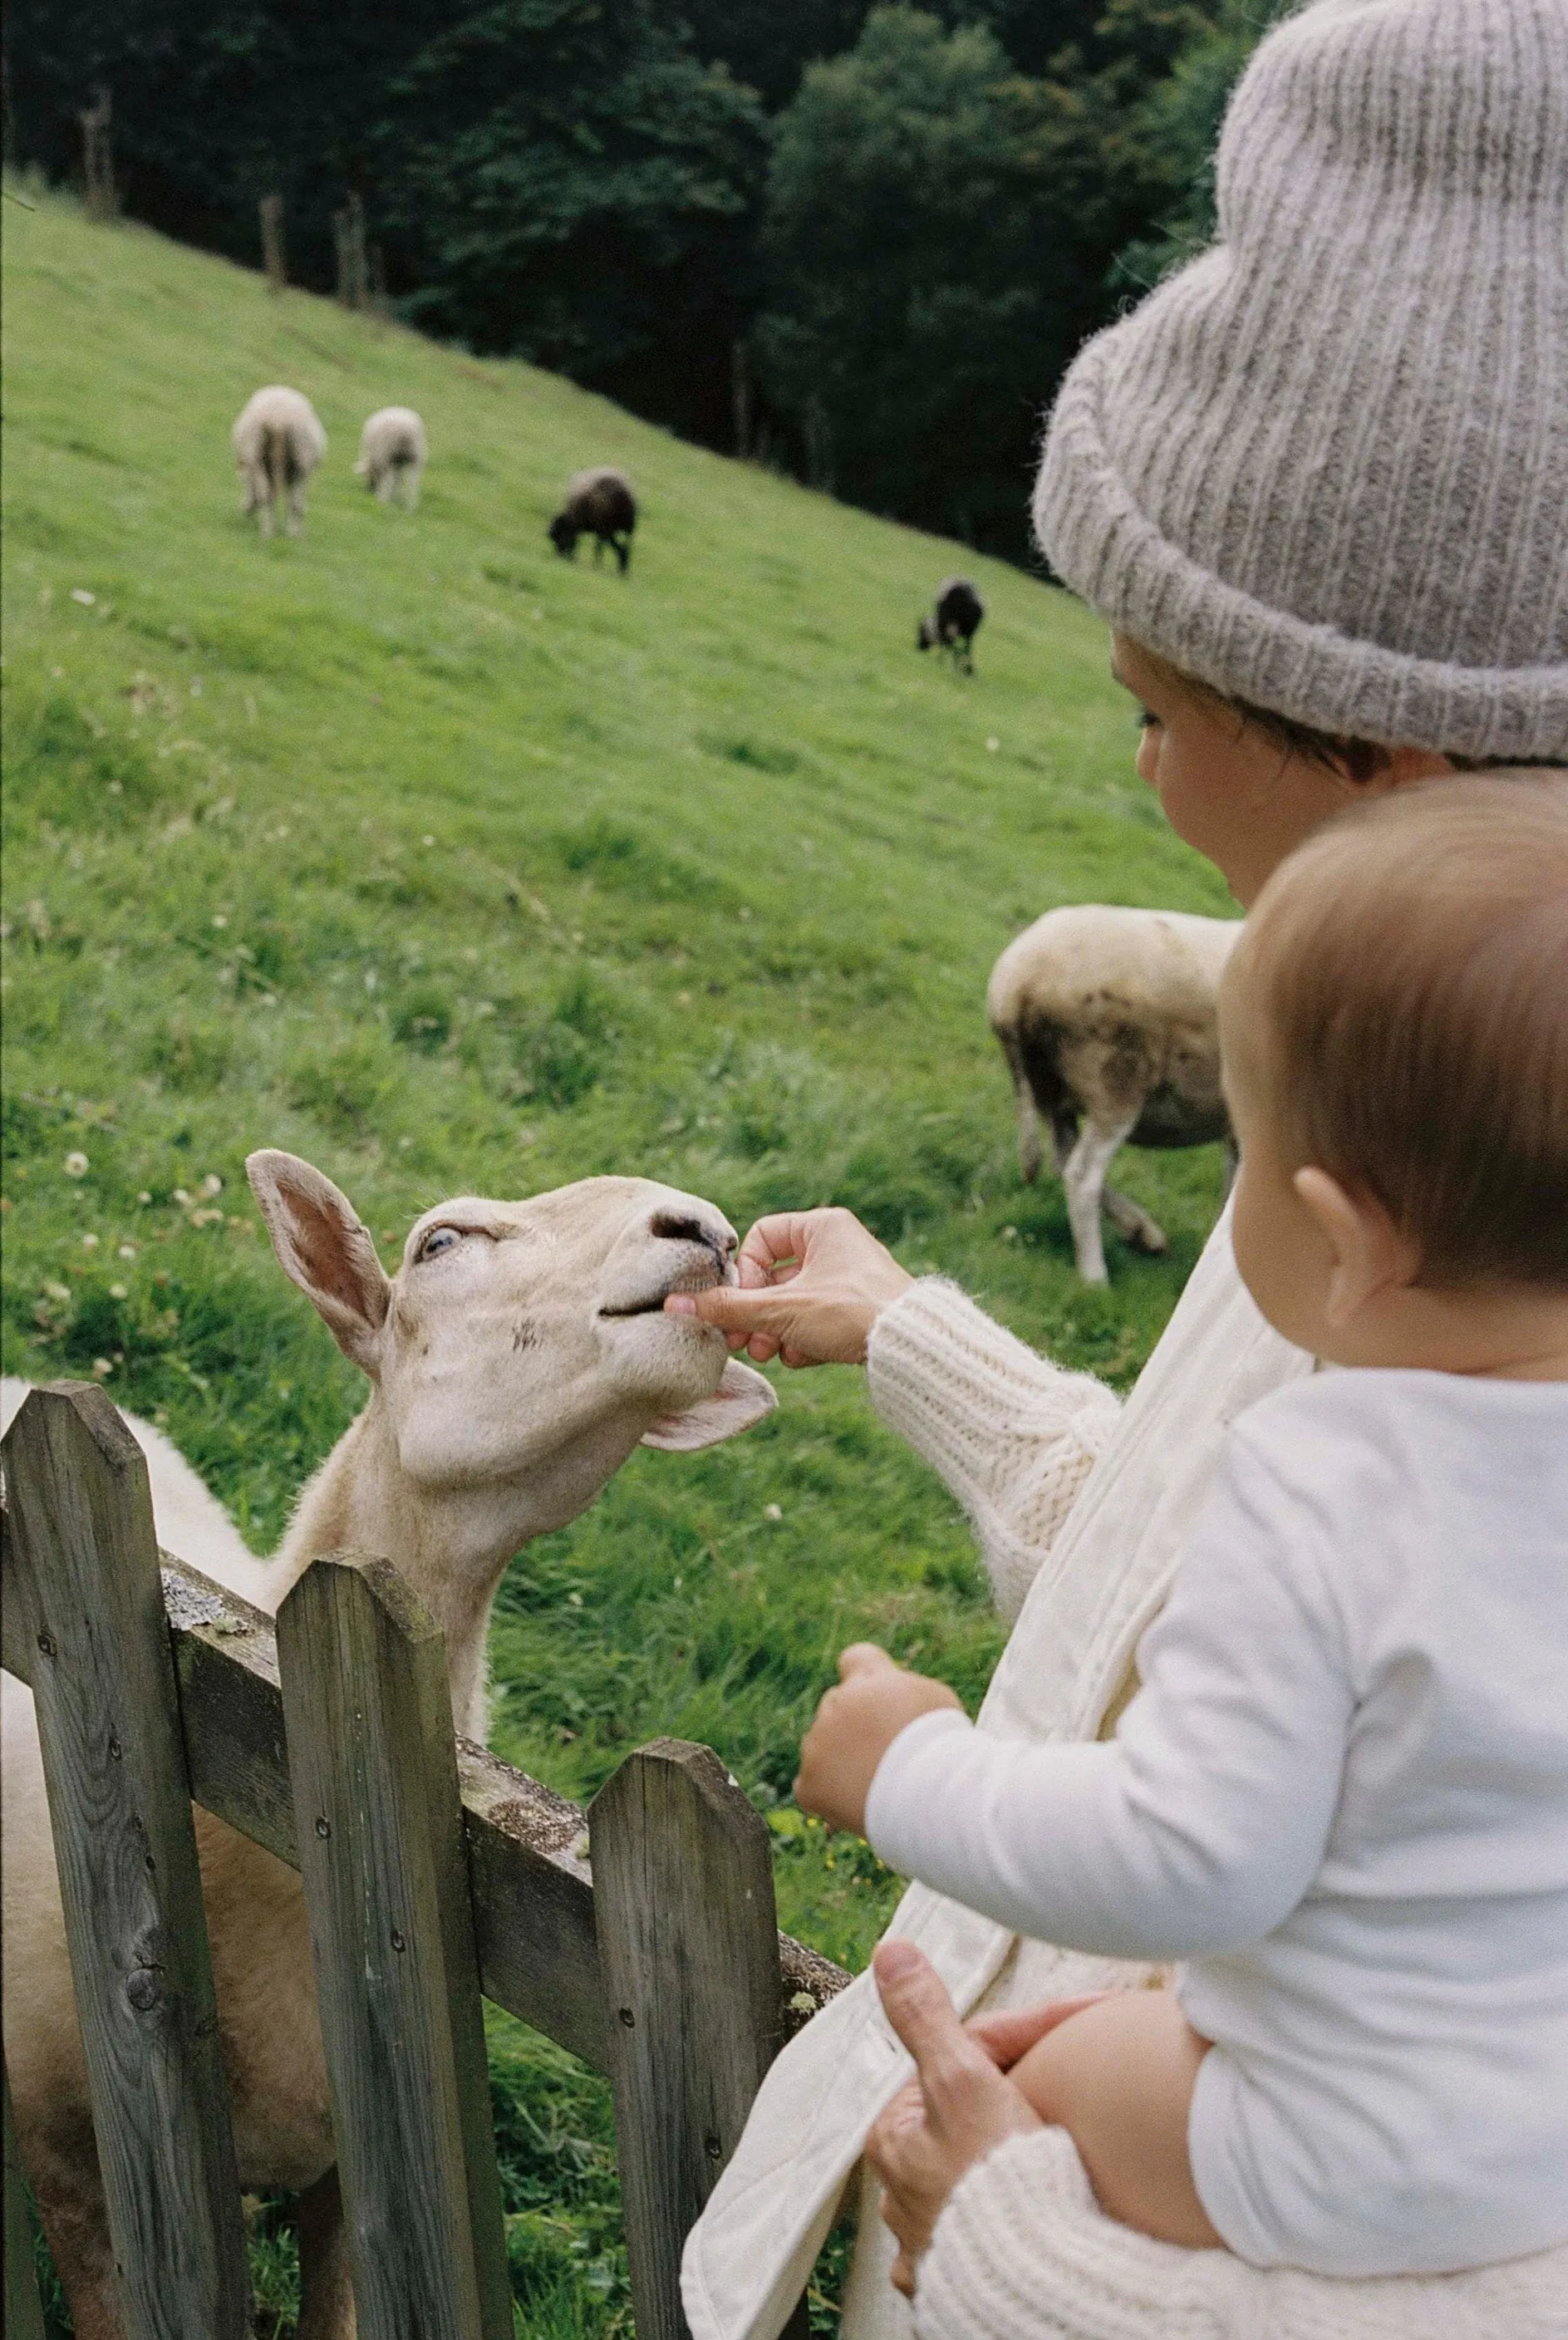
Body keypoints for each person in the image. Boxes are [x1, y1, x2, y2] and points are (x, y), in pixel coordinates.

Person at [676, 4, 1568, 2334]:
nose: (1136, 778)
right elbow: (1264, 1590)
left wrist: (1010, 2261)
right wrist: (926, 1348)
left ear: (1373, 756)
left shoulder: (1358, 1103)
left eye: (1154, 715)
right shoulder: (1445, 1120)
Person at [793, 776, 1568, 2286]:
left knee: (1039, 2083)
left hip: (1330, 2147)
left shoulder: (1321, 1477)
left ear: (1342, 1245)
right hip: (1534, 2143)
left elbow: (1185, 1858)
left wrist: (912, 1770)